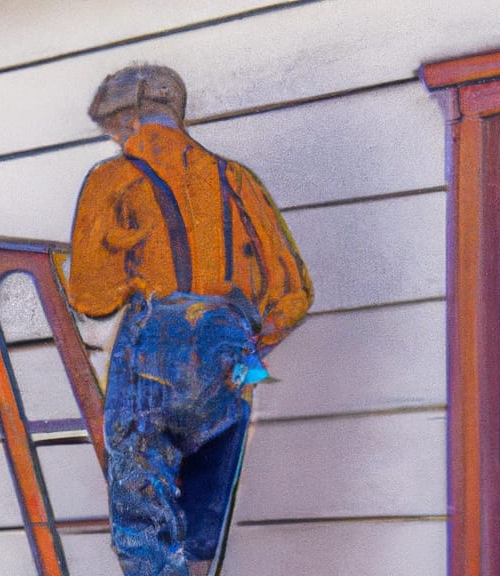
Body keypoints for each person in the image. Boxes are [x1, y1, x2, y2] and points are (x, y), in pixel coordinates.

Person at [68, 64, 313, 576]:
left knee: (145, 519)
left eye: (113, 127)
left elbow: (89, 295)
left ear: (130, 119)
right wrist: (240, 341)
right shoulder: (236, 178)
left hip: (159, 340)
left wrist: (140, 290)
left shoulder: (113, 177)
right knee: (204, 520)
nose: (114, 138)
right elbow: (293, 294)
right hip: (235, 352)